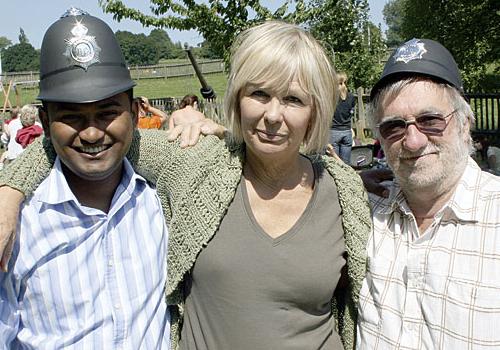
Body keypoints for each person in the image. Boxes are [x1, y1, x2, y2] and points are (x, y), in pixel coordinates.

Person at [0, 20, 371, 349]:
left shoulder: (345, 191)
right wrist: (9, 193)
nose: (273, 115)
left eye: (293, 99)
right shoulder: (196, 163)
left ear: (316, 111)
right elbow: (82, 139)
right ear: (238, 98)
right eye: (259, 94)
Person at [0, 9, 171, 348]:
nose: (92, 133)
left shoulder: (161, 201)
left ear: (135, 114)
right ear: (46, 122)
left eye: (108, 112)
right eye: (72, 117)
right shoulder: (17, 228)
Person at [357, 38, 500, 349]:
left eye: (430, 121)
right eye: (394, 127)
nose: (413, 141)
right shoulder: (365, 209)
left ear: (465, 124)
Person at [329, 72, 356, 164]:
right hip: (347, 132)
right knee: (346, 164)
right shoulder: (351, 97)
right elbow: (350, 113)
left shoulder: (331, 98)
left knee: (334, 164)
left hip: (334, 132)